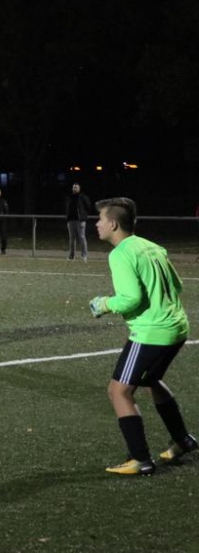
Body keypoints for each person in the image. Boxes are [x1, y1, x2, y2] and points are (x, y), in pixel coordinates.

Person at [89, 197, 196, 475]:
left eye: (100, 219)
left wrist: (103, 304)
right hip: (177, 327)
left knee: (119, 391)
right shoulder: (152, 246)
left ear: (113, 224)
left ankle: (140, 459)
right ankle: (183, 441)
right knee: (151, 380)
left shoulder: (120, 253)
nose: (97, 224)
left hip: (152, 332)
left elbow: (130, 299)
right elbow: (177, 284)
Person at [66, 183, 92, 261]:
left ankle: (84, 255)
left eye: (76, 187)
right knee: (71, 239)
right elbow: (67, 207)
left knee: (82, 237)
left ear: (79, 189)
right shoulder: (69, 197)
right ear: (72, 188)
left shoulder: (82, 197)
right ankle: (71, 256)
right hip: (71, 220)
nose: (75, 188)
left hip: (80, 221)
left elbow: (88, 206)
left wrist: (84, 215)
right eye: (74, 187)